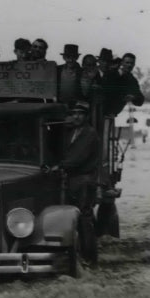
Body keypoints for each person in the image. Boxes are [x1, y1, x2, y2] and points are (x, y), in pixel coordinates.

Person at [48, 101, 100, 245]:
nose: (76, 117)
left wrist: (59, 166)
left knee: (83, 216)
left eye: (80, 114)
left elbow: (77, 157)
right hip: (73, 179)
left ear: (86, 117)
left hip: (84, 180)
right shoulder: (71, 132)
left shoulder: (89, 133)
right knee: (73, 217)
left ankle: (89, 256)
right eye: (74, 114)